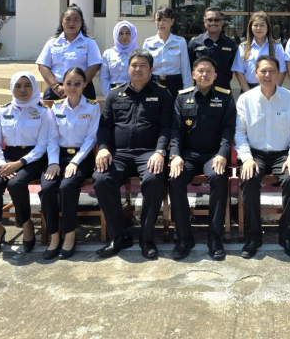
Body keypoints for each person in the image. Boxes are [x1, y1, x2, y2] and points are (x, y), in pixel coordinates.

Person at [93, 49, 173, 259]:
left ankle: (147, 238)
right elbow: (105, 126)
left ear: (151, 69)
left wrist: (160, 151)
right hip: (119, 154)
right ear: (128, 68)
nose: (138, 69)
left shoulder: (162, 93)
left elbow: (167, 126)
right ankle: (120, 235)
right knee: (101, 179)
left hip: (149, 153)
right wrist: (103, 148)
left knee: (155, 179)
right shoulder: (115, 94)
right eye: (134, 65)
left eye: (143, 65)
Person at [236, 55, 290, 259]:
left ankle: (287, 237)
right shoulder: (245, 99)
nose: (268, 75)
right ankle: (253, 237)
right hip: (254, 153)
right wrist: (246, 158)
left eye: (272, 71)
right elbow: (239, 133)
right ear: (255, 73)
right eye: (263, 71)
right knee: (248, 179)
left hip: (282, 154)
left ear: (279, 74)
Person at [169, 56, 236, 261]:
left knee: (218, 177)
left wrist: (222, 154)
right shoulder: (182, 97)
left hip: (213, 155)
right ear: (193, 74)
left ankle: (214, 236)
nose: (204, 74)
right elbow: (176, 130)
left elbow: (228, 130)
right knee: (175, 178)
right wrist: (175, 155)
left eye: (208, 71)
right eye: (200, 71)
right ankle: (184, 237)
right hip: (188, 155)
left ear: (215, 76)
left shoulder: (225, 97)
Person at [0, 71, 50, 256]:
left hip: (32, 157)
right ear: (12, 88)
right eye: (18, 86)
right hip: (6, 157)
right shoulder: (3, 111)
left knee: (16, 183)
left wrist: (20, 163)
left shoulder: (43, 112)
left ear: (34, 87)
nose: (23, 90)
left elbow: (43, 145)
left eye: (27, 85)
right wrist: (1, 165)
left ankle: (26, 223)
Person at [40, 67, 100, 260]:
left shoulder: (92, 107)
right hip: (58, 156)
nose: (72, 87)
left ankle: (69, 235)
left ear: (84, 85)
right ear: (62, 85)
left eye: (77, 83)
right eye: (68, 83)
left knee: (67, 186)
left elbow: (91, 139)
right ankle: (54, 236)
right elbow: (52, 138)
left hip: (82, 158)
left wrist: (75, 162)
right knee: (47, 187)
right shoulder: (56, 108)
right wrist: (53, 162)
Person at [36, 4, 102, 101]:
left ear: (81, 22)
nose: (71, 23)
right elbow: (43, 66)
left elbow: (95, 66)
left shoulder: (89, 42)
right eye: (67, 19)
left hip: (82, 90)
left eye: (76, 20)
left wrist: (78, 85)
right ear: (62, 22)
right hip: (56, 90)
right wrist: (56, 86)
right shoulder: (52, 42)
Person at [143, 6, 193, 98]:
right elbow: (145, 68)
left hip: (175, 83)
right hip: (155, 83)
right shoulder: (148, 43)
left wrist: (187, 91)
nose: (161, 23)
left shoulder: (180, 42)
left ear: (172, 21)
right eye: (158, 20)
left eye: (165, 20)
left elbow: (185, 68)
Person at [232, 11, 286, 92]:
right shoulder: (243, 47)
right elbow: (239, 72)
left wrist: (273, 91)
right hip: (248, 89)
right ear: (250, 27)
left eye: (262, 25)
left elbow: (282, 71)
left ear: (268, 27)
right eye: (255, 25)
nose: (258, 28)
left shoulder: (277, 47)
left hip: (271, 89)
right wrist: (248, 93)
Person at [188, 6, 238, 91]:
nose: (213, 22)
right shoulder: (194, 43)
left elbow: (235, 67)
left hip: (223, 90)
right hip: (201, 90)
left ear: (222, 22)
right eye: (209, 20)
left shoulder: (231, 43)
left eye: (216, 20)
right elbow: (188, 68)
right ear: (204, 22)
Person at [100, 20, 137, 98]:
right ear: (116, 34)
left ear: (133, 35)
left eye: (128, 33)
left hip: (133, 92)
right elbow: (104, 78)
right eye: (121, 33)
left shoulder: (137, 54)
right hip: (112, 92)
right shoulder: (108, 54)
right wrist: (110, 96)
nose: (124, 36)